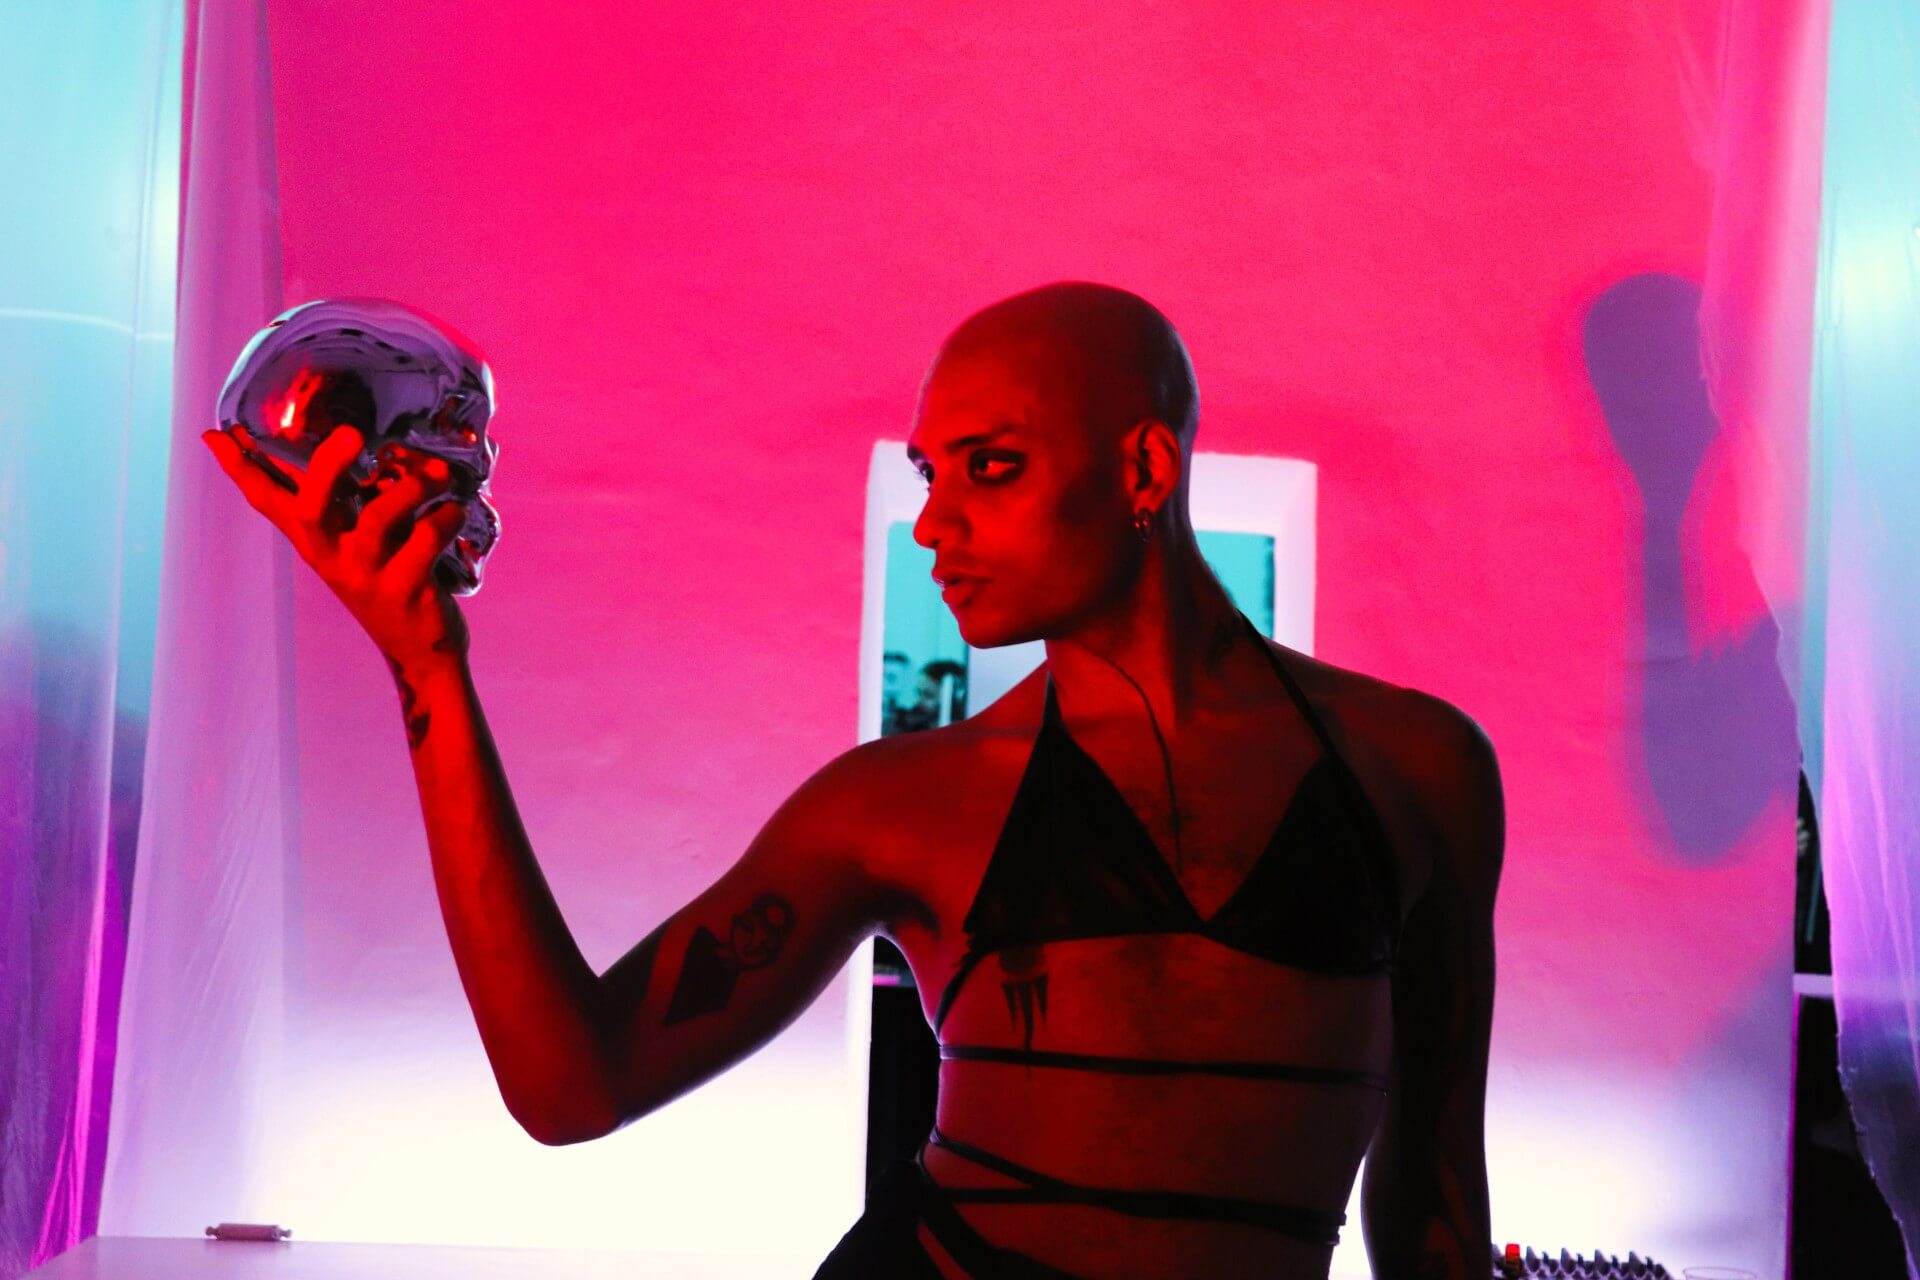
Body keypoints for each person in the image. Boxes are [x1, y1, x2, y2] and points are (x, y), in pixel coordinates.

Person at [202, 281, 1503, 1280]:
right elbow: (571, 1086)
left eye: (992, 467)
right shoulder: (901, 807)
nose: (936, 524)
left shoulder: (1418, 768)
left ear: (1144, 471)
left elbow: (1434, 1201)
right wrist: (430, 672)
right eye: (932, 476)